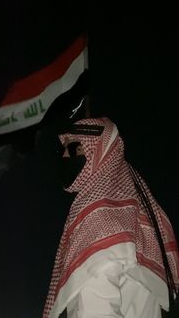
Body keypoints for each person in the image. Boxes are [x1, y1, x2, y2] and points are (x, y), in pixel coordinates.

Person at [43, 117, 179, 318]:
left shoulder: (100, 222)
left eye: (73, 149)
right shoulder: (137, 226)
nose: (65, 156)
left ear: (101, 153)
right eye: (61, 151)